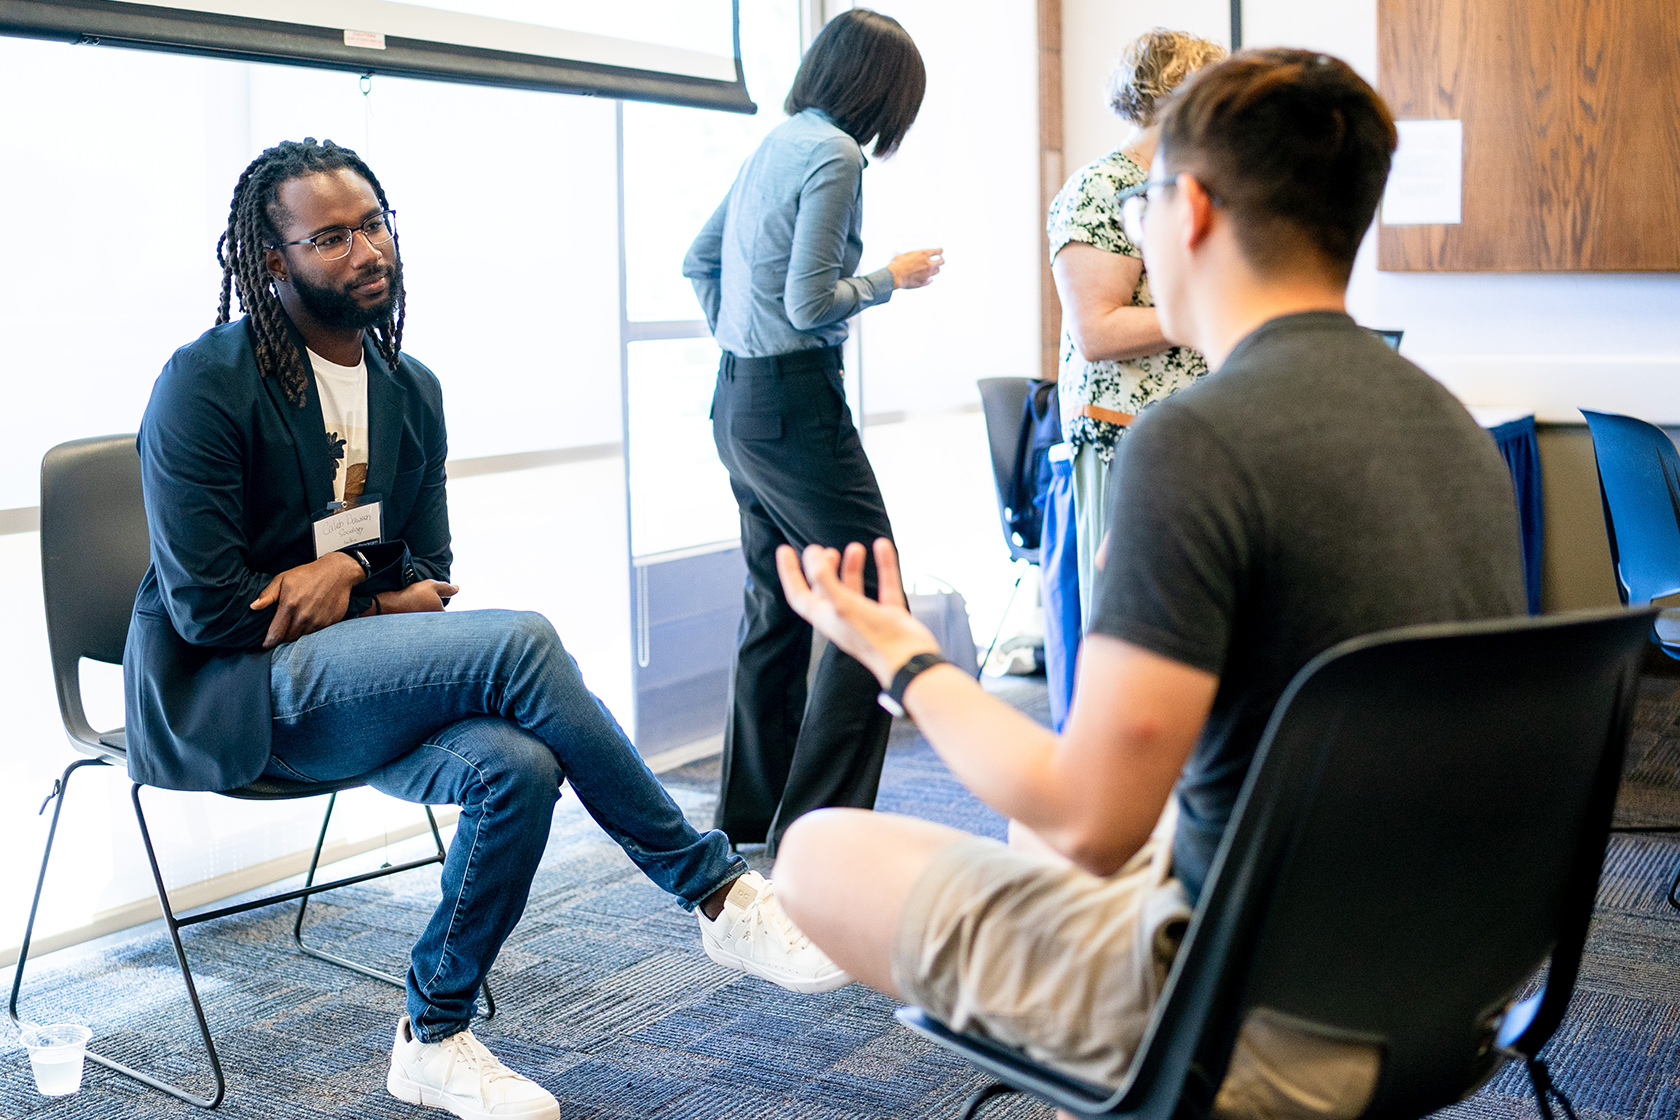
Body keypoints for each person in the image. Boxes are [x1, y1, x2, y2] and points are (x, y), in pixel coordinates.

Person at [768, 51, 1527, 1117]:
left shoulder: (1197, 441)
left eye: (1145, 197)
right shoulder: (1457, 431)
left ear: (1195, 211)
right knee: (1039, 830)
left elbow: (1092, 824)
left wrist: (908, 659)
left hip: (1250, 1017)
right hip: (1456, 998)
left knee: (815, 854)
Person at [124, 138, 846, 1120]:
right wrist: (361, 581)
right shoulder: (205, 383)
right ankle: (718, 893)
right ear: (269, 260)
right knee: (521, 642)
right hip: (233, 696)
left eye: (374, 223)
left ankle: (433, 1034)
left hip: (357, 684)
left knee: (517, 765)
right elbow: (211, 610)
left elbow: (428, 574)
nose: (365, 249)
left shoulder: (408, 389)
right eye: (329, 237)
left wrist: (340, 581)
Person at [682, 8, 944, 858]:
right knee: (873, 601)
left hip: (736, 403)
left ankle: (752, 819)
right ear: (882, 93)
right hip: (794, 405)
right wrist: (888, 280)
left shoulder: (779, 139)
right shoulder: (835, 154)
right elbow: (809, 304)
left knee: (777, 605)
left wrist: (739, 345)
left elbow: (699, 259)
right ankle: (818, 831)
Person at [1048, 28, 1225, 627]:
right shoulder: (1099, 191)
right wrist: (1211, 313)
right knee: (1129, 622)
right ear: (1170, 95)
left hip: (1190, 425)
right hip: (1123, 433)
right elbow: (1096, 331)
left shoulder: (1186, 186)